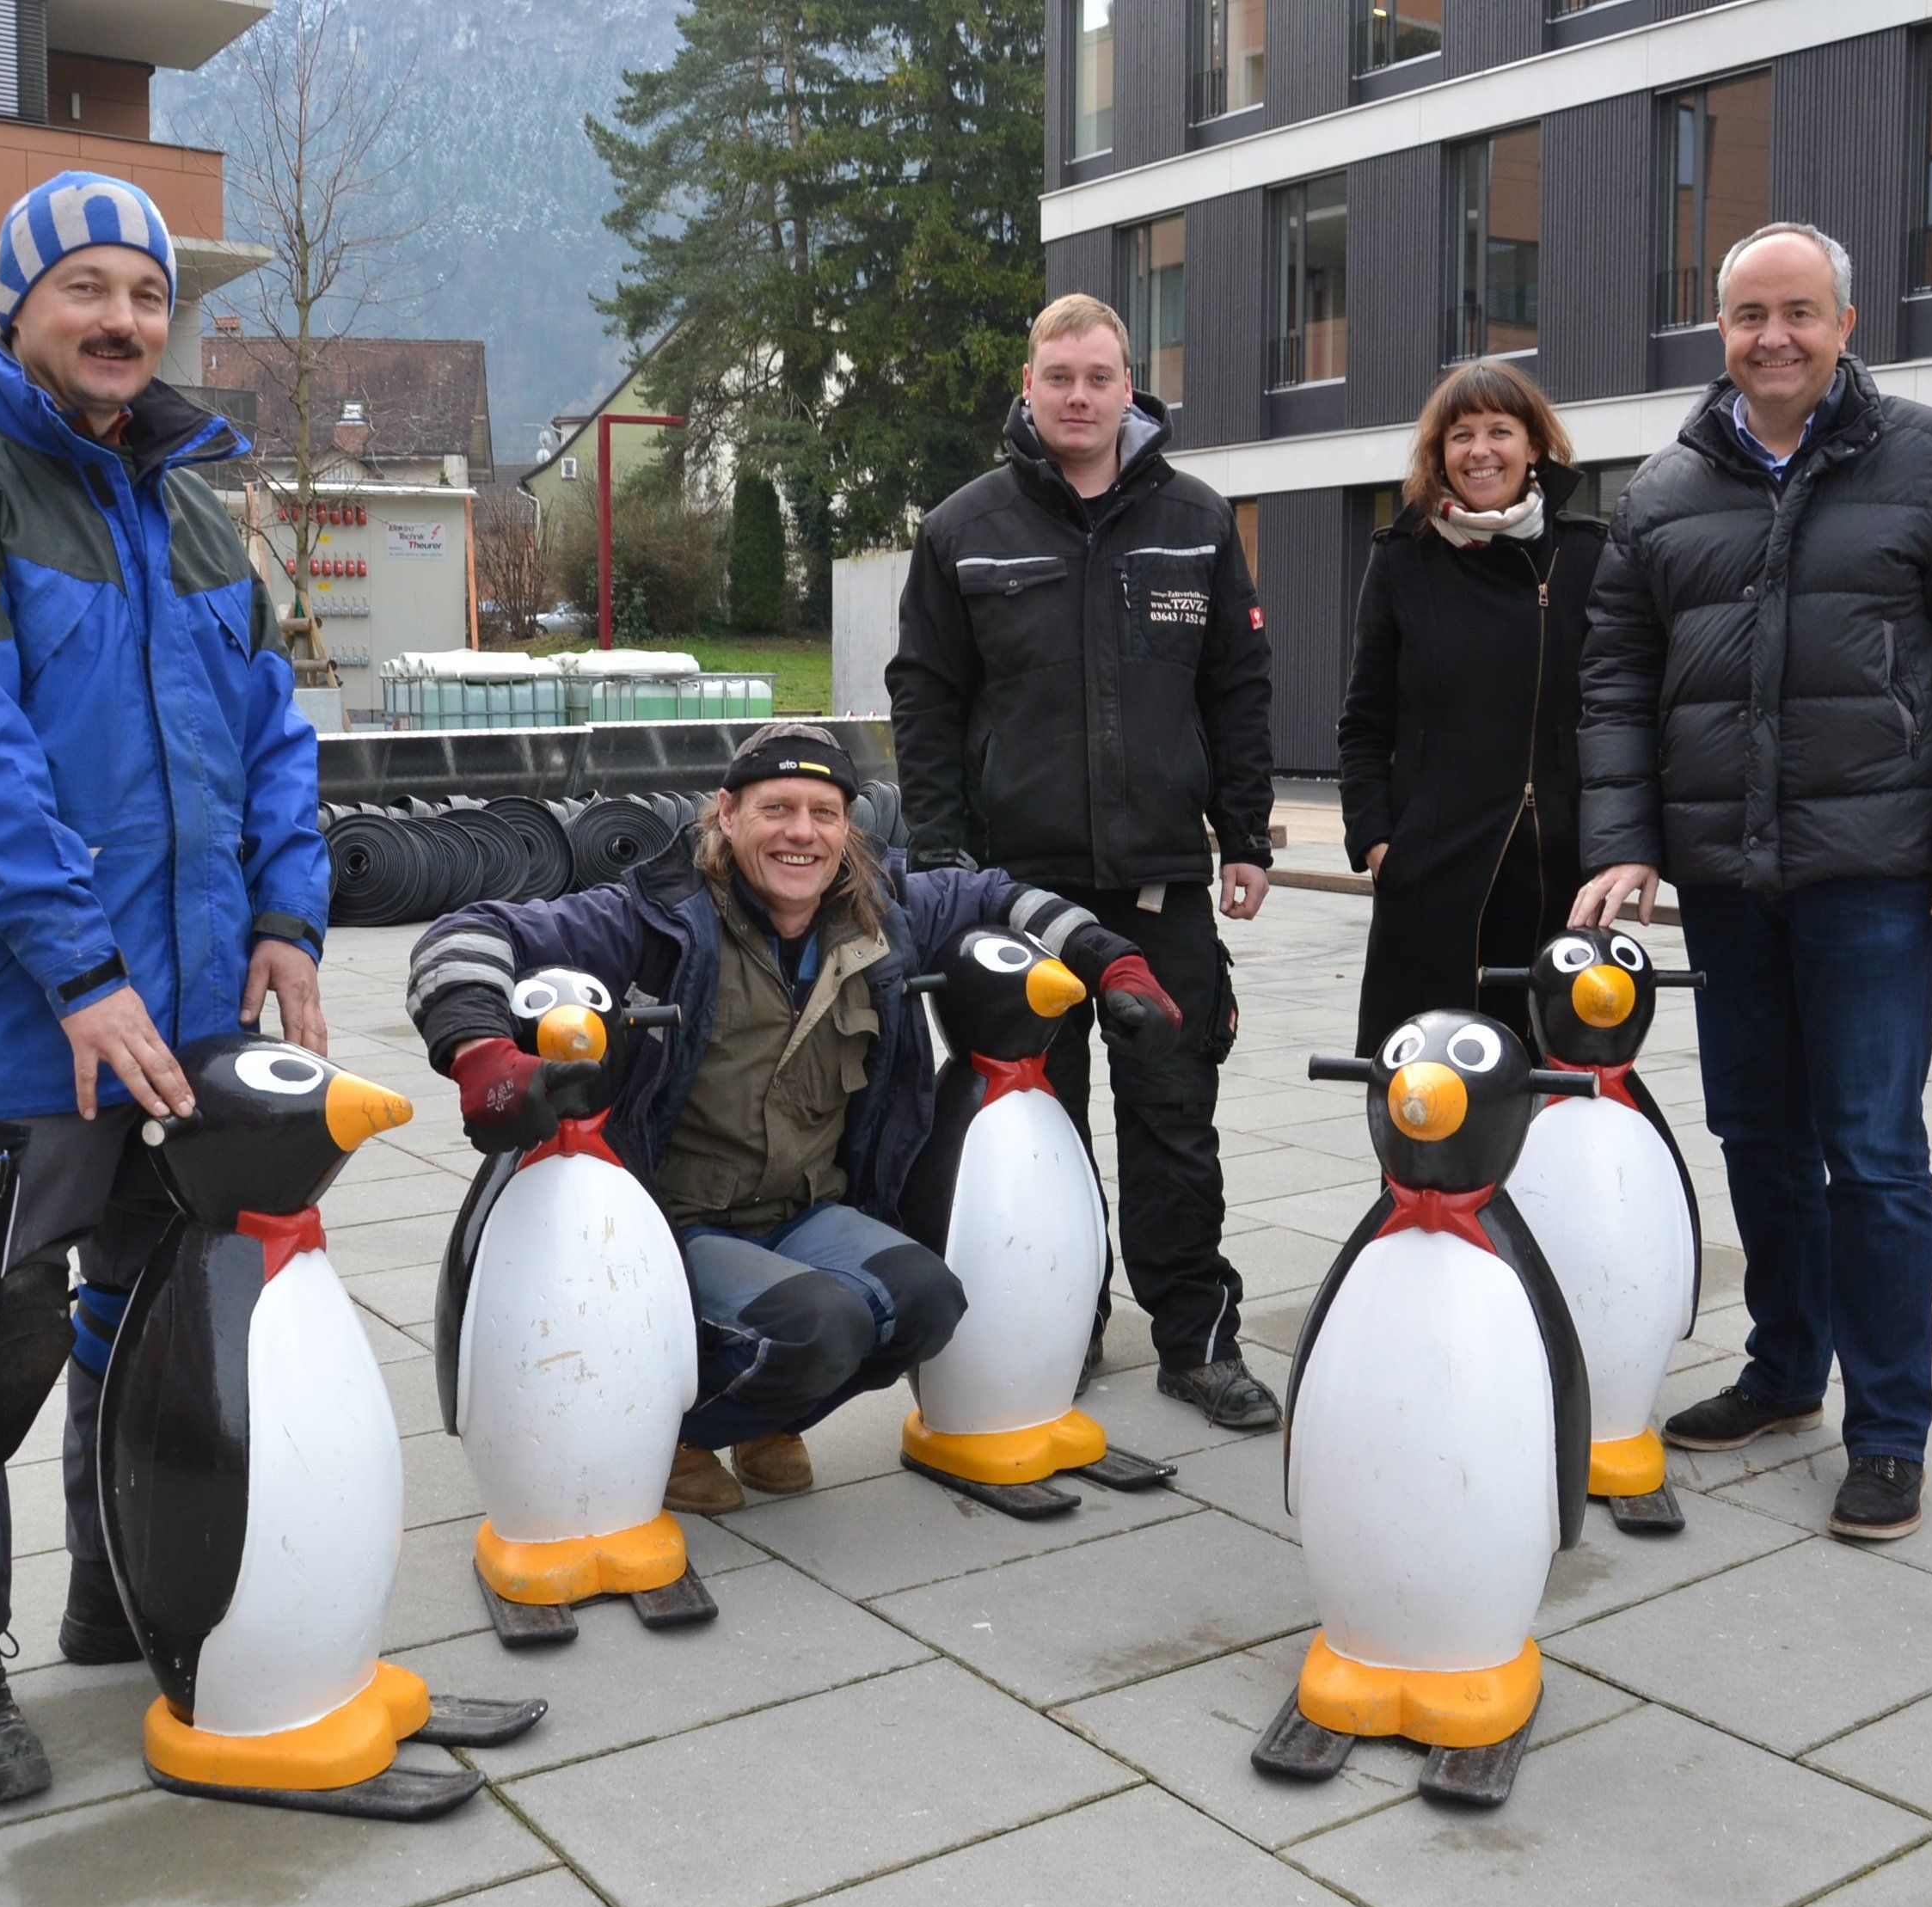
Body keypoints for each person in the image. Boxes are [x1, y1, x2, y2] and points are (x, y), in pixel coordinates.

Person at [0, 171, 329, 1809]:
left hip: (186, 1019)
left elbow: (271, 738)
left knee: (154, 1315)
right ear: (16, 306)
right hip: (25, 1026)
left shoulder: (192, 508)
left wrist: (287, 919)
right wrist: (81, 967)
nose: (121, 320)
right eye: (85, 290)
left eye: (144, 294)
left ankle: (120, 1581)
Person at [1572, 220, 1932, 1542]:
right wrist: (1625, 841)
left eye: (1798, 312)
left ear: (1846, 324)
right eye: (1746, 316)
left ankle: (1889, 1429)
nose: (1772, 337)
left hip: (1876, 874)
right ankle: (1785, 1375)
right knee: (1759, 1139)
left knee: (1876, 1154)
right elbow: (1615, 680)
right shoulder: (1665, 487)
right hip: (1727, 876)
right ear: (1717, 332)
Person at [402, 722, 1184, 1515]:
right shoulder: (655, 919)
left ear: (849, 827)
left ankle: (762, 1419)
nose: (802, 833)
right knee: (823, 1326)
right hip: (681, 1224)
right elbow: (466, 933)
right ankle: (666, 1435)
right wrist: (479, 1053)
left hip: (807, 1211)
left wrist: (1113, 961)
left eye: (824, 811)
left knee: (928, 1299)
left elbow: (1003, 897)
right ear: (727, 814)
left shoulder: (884, 911)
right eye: (777, 808)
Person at [886, 294, 1280, 1429]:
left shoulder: (1197, 520)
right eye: (1058, 376)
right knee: (1034, 1125)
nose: (1077, 395)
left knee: (1173, 1118)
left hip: (1161, 892)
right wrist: (939, 863)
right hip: (1019, 898)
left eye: (1098, 377)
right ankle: (1056, 1326)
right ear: (1029, 382)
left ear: (1128, 386)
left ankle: (1197, 1341)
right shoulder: (964, 529)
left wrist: (1246, 833)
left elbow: (1237, 690)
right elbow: (926, 699)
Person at [1338, 362, 1604, 1055]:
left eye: (1499, 431)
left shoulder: (1588, 556)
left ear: (1535, 446)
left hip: (1557, 879)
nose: (1480, 450)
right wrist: (1377, 843)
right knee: (1424, 1104)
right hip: (1431, 880)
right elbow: (1365, 721)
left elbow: (1618, 708)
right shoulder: (1402, 560)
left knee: (1559, 1099)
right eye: (1461, 435)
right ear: (1440, 455)